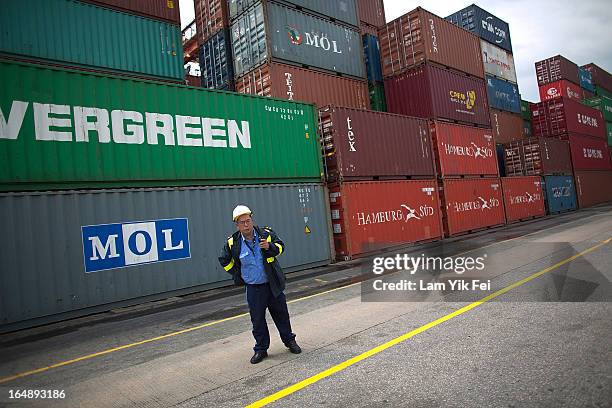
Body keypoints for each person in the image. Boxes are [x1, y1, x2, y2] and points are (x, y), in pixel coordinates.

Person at [218, 205, 301, 364]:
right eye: (242, 222)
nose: (246, 225)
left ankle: (289, 341)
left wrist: (269, 247)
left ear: (252, 220)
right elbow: (224, 260)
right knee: (257, 320)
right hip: (254, 288)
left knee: (281, 315)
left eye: (248, 220)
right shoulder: (232, 243)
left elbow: (281, 247)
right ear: (237, 225)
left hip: (272, 285)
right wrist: (237, 273)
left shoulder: (266, 235)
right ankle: (261, 349)